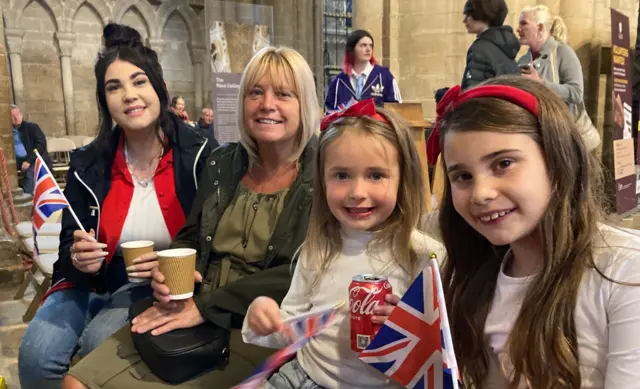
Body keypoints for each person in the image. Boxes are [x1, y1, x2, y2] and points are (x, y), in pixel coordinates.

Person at [62, 45, 320, 389]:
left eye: (284, 94)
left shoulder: (324, 174)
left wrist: (206, 307)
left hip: (257, 325)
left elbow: (307, 271)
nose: (267, 104)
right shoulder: (223, 163)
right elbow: (191, 236)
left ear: (305, 103)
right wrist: (171, 276)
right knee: (76, 383)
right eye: (255, 92)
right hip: (191, 308)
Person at [18, 23, 212, 389]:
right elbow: (65, 249)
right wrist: (77, 258)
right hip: (91, 280)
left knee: (98, 344)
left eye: (139, 82)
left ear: (160, 88)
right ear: (104, 101)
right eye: (114, 87)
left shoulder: (200, 156)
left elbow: (213, 239)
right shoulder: (88, 163)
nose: (129, 95)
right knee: (36, 355)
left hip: (157, 285)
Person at [435, 76, 640, 388]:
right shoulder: (473, 277)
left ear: (558, 160)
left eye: (503, 163)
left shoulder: (624, 272)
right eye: (462, 176)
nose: (481, 193)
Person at [243, 99, 445, 388]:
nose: (357, 192)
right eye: (341, 175)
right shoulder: (318, 248)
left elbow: (444, 355)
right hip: (304, 376)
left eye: (376, 175)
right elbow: (292, 327)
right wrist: (262, 318)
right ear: (322, 181)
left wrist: (411, 329)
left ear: (404, 180)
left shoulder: (427, 255)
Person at [516, 5, 600, 151]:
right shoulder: (522, 61)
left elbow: (576, 93)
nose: (518, 29)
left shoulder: (562, 52)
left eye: (524, 23)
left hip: (568, 141)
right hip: (540, 139)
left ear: (540, 28)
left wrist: (541, 84)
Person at [324, 30, 401, 112]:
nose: (368, 49)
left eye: (371, 46)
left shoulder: (385, 76)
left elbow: (396, 109)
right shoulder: (338, 82)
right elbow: (329, 113)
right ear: (352, 49)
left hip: (375, 124)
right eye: (363, 45)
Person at [460, 0, 520, 90]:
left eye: (469, 14)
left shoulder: (480, 48)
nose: (464, 20)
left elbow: (473, 93)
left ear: (482, 14)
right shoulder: (505, 45)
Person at [10, 104, 52, 195]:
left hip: (35, 159)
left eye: (17, 114)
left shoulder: (32, 127)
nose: (16, 118)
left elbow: (41, 145)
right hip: (16, 161)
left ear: (21, 114)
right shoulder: (7, 131)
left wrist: (29, 161)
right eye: (13, 116)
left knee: (30, 173)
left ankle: (27, 200)